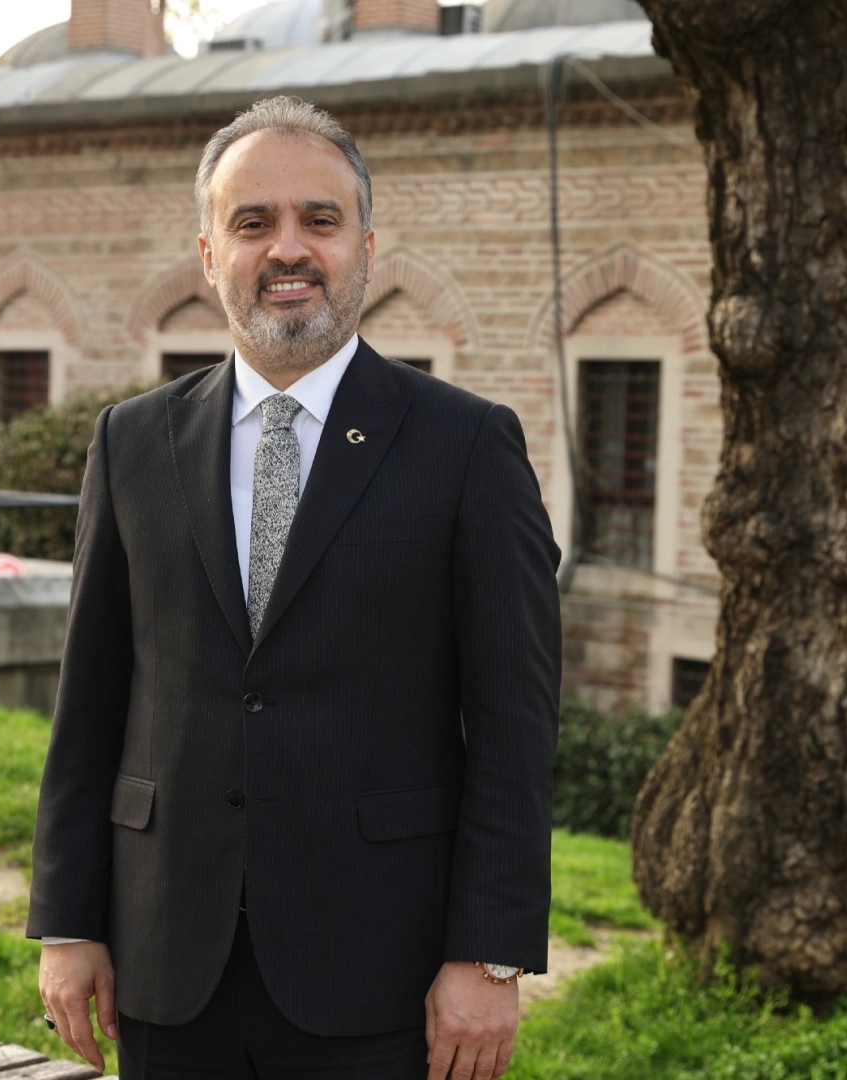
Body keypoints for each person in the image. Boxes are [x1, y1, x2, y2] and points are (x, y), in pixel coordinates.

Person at [28, 95, 561, 1080]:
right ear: (209, 255)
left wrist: (488, 955)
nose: (287, 249)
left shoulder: (466, 446)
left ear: (366, 247)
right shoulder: (131, 440)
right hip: (165, 959)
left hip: (379, 970)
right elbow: (89, 703)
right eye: (252, 222)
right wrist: (68, 921)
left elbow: (514, 727)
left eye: (320, 219)